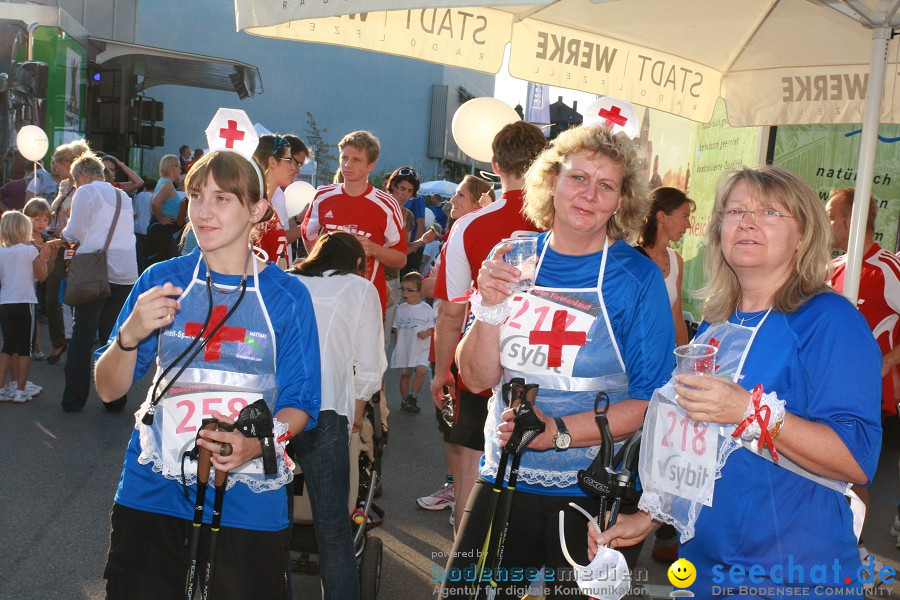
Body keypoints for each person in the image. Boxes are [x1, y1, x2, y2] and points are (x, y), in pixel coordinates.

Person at [593, 166, 883, 597]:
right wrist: (648, 519)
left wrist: (750, 412)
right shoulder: (716, 327)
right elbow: (702, 448)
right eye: (735, 211)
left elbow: (857, 458)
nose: (747, 221)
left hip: (789, 575)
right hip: (701, 568)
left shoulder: (830, 321)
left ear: (802, 235)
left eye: (769, 212)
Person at [440, 124, 673, 599]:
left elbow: (652, 403)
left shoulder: (636, 277)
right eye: (577, 178)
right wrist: (486, 307)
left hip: (595, 486)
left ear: (622, 200)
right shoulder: (513, 256)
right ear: (550, 182)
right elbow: (479, 377)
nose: (589, 194)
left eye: (606, 185)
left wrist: (559, 433)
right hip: (504, 474)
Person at [94, 133, 321, 599]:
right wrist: (129, 336)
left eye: (222, 198)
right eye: (196, 196)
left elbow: (302, 404)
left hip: (247, 506)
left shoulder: (287, 295)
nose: (202, 211)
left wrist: (253, 445)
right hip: (152, 493)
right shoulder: (162, 281)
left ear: (256, 211)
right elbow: (109, 390)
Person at [425, 122, 544, 532]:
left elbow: (451, 312)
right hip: (550, 357)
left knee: (471, 477)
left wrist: (443, 371)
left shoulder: (469, 225)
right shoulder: (567, 219)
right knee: (539, 484)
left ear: (495, 165)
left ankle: (464, 578)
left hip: (484, 355)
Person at [288, 231, 386, 599]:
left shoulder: (288, 279)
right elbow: (369, 366)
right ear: (357, 263)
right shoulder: (361, 290)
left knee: (271, 523)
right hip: (327, 409)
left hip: (275, 409)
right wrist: (358, 416)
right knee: (332, 527)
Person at [826, 186, 899, 570]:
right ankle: (845, 547)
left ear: (851, 221)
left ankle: (859, 551)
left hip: (868, 393)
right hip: (825, 390)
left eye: (832, 217)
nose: (827, 224)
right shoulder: (835, 269)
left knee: (853, 472)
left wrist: (887, 361)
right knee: (829, 470)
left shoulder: (887, 267)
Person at [59, 152, 138, 413]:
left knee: (82, 335)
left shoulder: (86, 192)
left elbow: (74, 232)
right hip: (125, 272)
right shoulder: (123, 195)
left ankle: (74, 399)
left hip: (95, 272)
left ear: (80, 176)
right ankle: (115, 400)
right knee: (112, 339)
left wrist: (60, 235)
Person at [301, 130, 407, 316]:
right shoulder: (323, 195)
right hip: (327, 297)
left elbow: (400, 259)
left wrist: (373, 249)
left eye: (356, 160)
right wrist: (321, 264)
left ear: (371, 165)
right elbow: (308, 234)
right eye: (344, 158)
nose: (347, 165)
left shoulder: (387, 204)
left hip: (366, 300)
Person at [45, 139, 92, 366]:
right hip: (59, 245)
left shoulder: (86, 189)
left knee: (74, 297)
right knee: (51, 295)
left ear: (71, 163)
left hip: (77, 248)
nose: (55, 167)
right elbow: (58, 213)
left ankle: (74, 345)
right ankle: (59, 340)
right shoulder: (64, 186)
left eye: (59, 163)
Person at [0, 210, 54, 403]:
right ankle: (20, 390)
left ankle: (3, 387)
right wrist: (45, 259)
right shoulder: (29, 250)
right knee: (25, 348)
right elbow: (42, 276)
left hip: (5, 302)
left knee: (7, 346)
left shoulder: (1, 251)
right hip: (25, 302)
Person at [636, 187, 695, 347]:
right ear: (661, 216)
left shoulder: (676, 260)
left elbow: (677, 318)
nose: (689, 225)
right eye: (684, 217)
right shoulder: (631, 258)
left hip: (663, 356)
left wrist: (683, 360)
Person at [392, 271, 435, 413]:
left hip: (421, 347)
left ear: (420, 291)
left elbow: (434, 327)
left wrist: (427, 333)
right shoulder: (400, 309)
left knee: (421, 370)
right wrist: (398, 346)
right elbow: (397, 328)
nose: (405, 293)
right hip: (405, 348)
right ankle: (405, 400)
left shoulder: (426, 308)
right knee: (406, 374)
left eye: (410, 290)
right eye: (403, 289)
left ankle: (412, 396)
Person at [252, 134, 298, 268]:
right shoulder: (253, 209)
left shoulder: (269, 205)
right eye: (289, 160)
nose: (293, 168)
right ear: (272, 162)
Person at [23, 198, 58, 362]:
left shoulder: (46, 241)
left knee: (34, 314)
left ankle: (35, 345)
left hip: (34, 284)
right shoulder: (20, 239)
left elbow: (46, 273)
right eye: (37, 219)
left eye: (45, 219)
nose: (41, 223)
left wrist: (51, 256)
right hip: (19, 283)